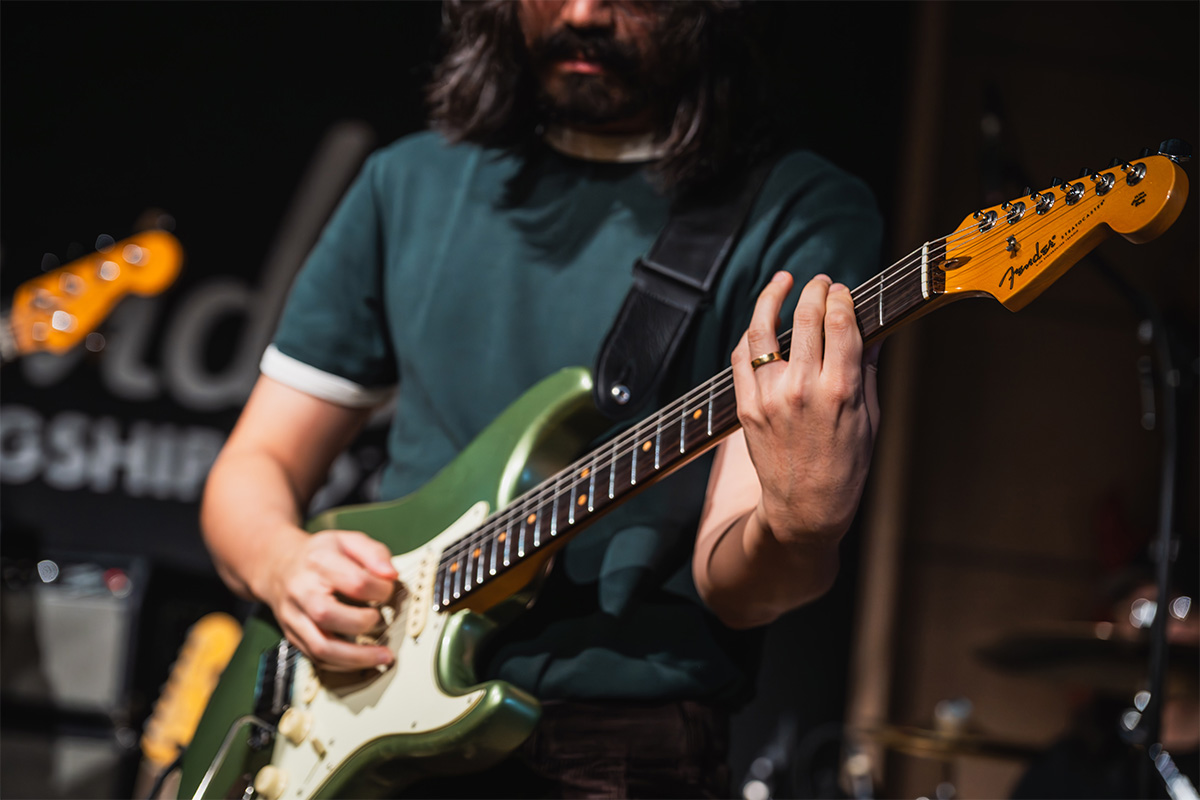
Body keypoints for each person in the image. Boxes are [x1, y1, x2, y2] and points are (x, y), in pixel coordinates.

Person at [200, 1, 882, 796]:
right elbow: (253, 469)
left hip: (620, 752)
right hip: (358, 721)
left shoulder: (798, 212)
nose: (584, 12)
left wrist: (803, 527)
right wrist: (286, 564)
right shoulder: (409, 181)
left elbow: (739, 589)